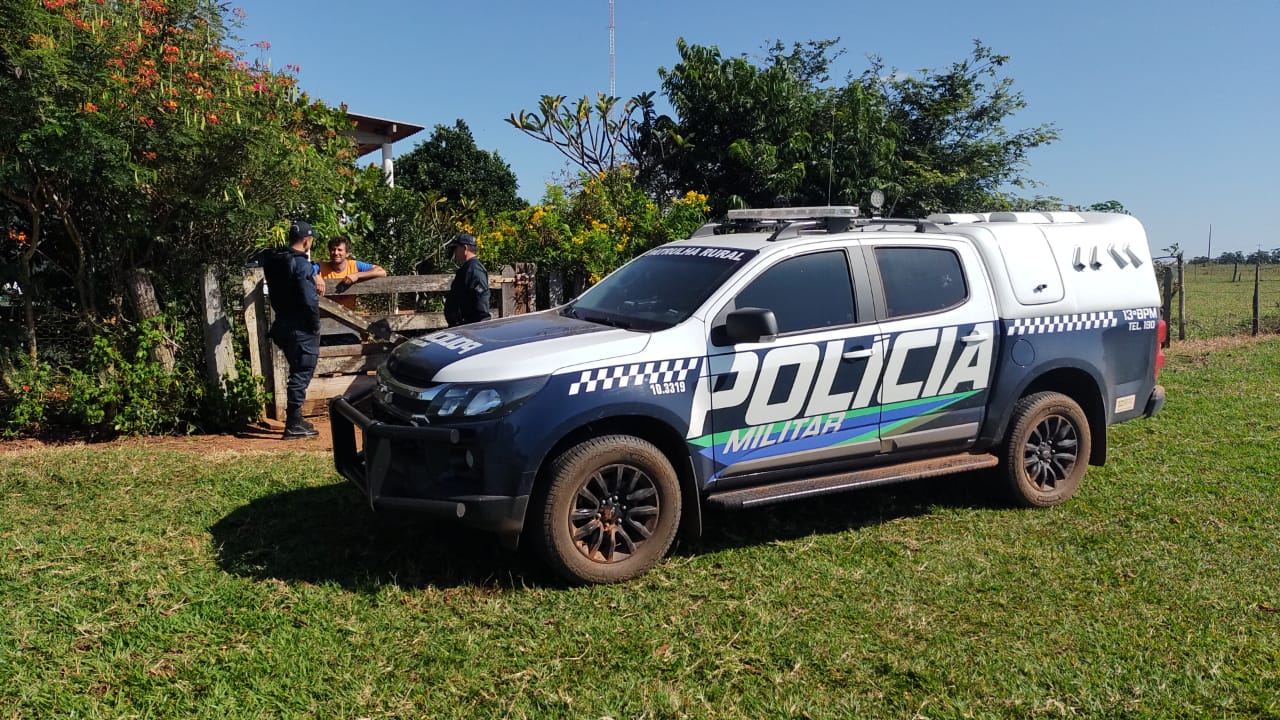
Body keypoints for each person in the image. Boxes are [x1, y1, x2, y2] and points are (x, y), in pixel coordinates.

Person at [260, 220, 322, 439]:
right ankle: (294, 422)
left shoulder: (275, 261)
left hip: (282, 323)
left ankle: (296, 420)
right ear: (306, 241)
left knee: (297, 370)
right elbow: (309, 299)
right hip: (300, 327)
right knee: (301, 372)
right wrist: (314, 326)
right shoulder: (301, 265)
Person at [315, 236, 386, 311]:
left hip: (349, 318)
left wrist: (357, 275)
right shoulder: (320, 267)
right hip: (324, 318)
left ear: (347, 253)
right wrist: (316, 276)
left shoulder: (355, 265)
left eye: (340, 250)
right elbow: (304, 270)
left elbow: (382, 272)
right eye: (333, 249)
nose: (336, 253)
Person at [443, 232, 491, 327]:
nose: (455, 253)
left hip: (470, 327)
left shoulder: (474, 270)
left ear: (464, 248)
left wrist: (479, 325)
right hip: (462, 326)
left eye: (456, 249)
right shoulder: (467, 269)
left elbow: (481, 299)